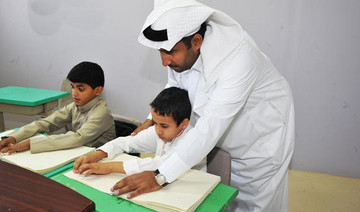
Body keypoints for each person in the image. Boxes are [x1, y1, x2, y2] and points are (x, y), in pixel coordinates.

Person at [112, 1, 295, 212]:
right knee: (213, 196)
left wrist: (160, 176)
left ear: (196, 41)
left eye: (169, 52)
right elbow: (174, 86)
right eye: (160, 51)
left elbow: (211, 126)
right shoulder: (182, 54)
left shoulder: (239, 59)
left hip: (257, 139)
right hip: (215, 135)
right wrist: (149, 121)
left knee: (253, 203)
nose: (164, 61)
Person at [72, 87, 206, 186]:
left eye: (164, 126)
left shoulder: (193, 140)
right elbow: (126, 142)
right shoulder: (159, 131)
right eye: (155, 123)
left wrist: (108, 167)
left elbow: (161, 164)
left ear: (183, 124)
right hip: (165, 186)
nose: (158, 130)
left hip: (190, 190)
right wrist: (96, 155)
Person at [0, 61, 116, 154]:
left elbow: (77, 138)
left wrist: (30, 143)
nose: (74, 93)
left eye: (80, 89)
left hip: (99, 159)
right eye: (72, 87)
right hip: (78, 153)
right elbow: (45, 123)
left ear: (98, 90)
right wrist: (14, 137)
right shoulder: (74, 106)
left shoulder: (101, 113)